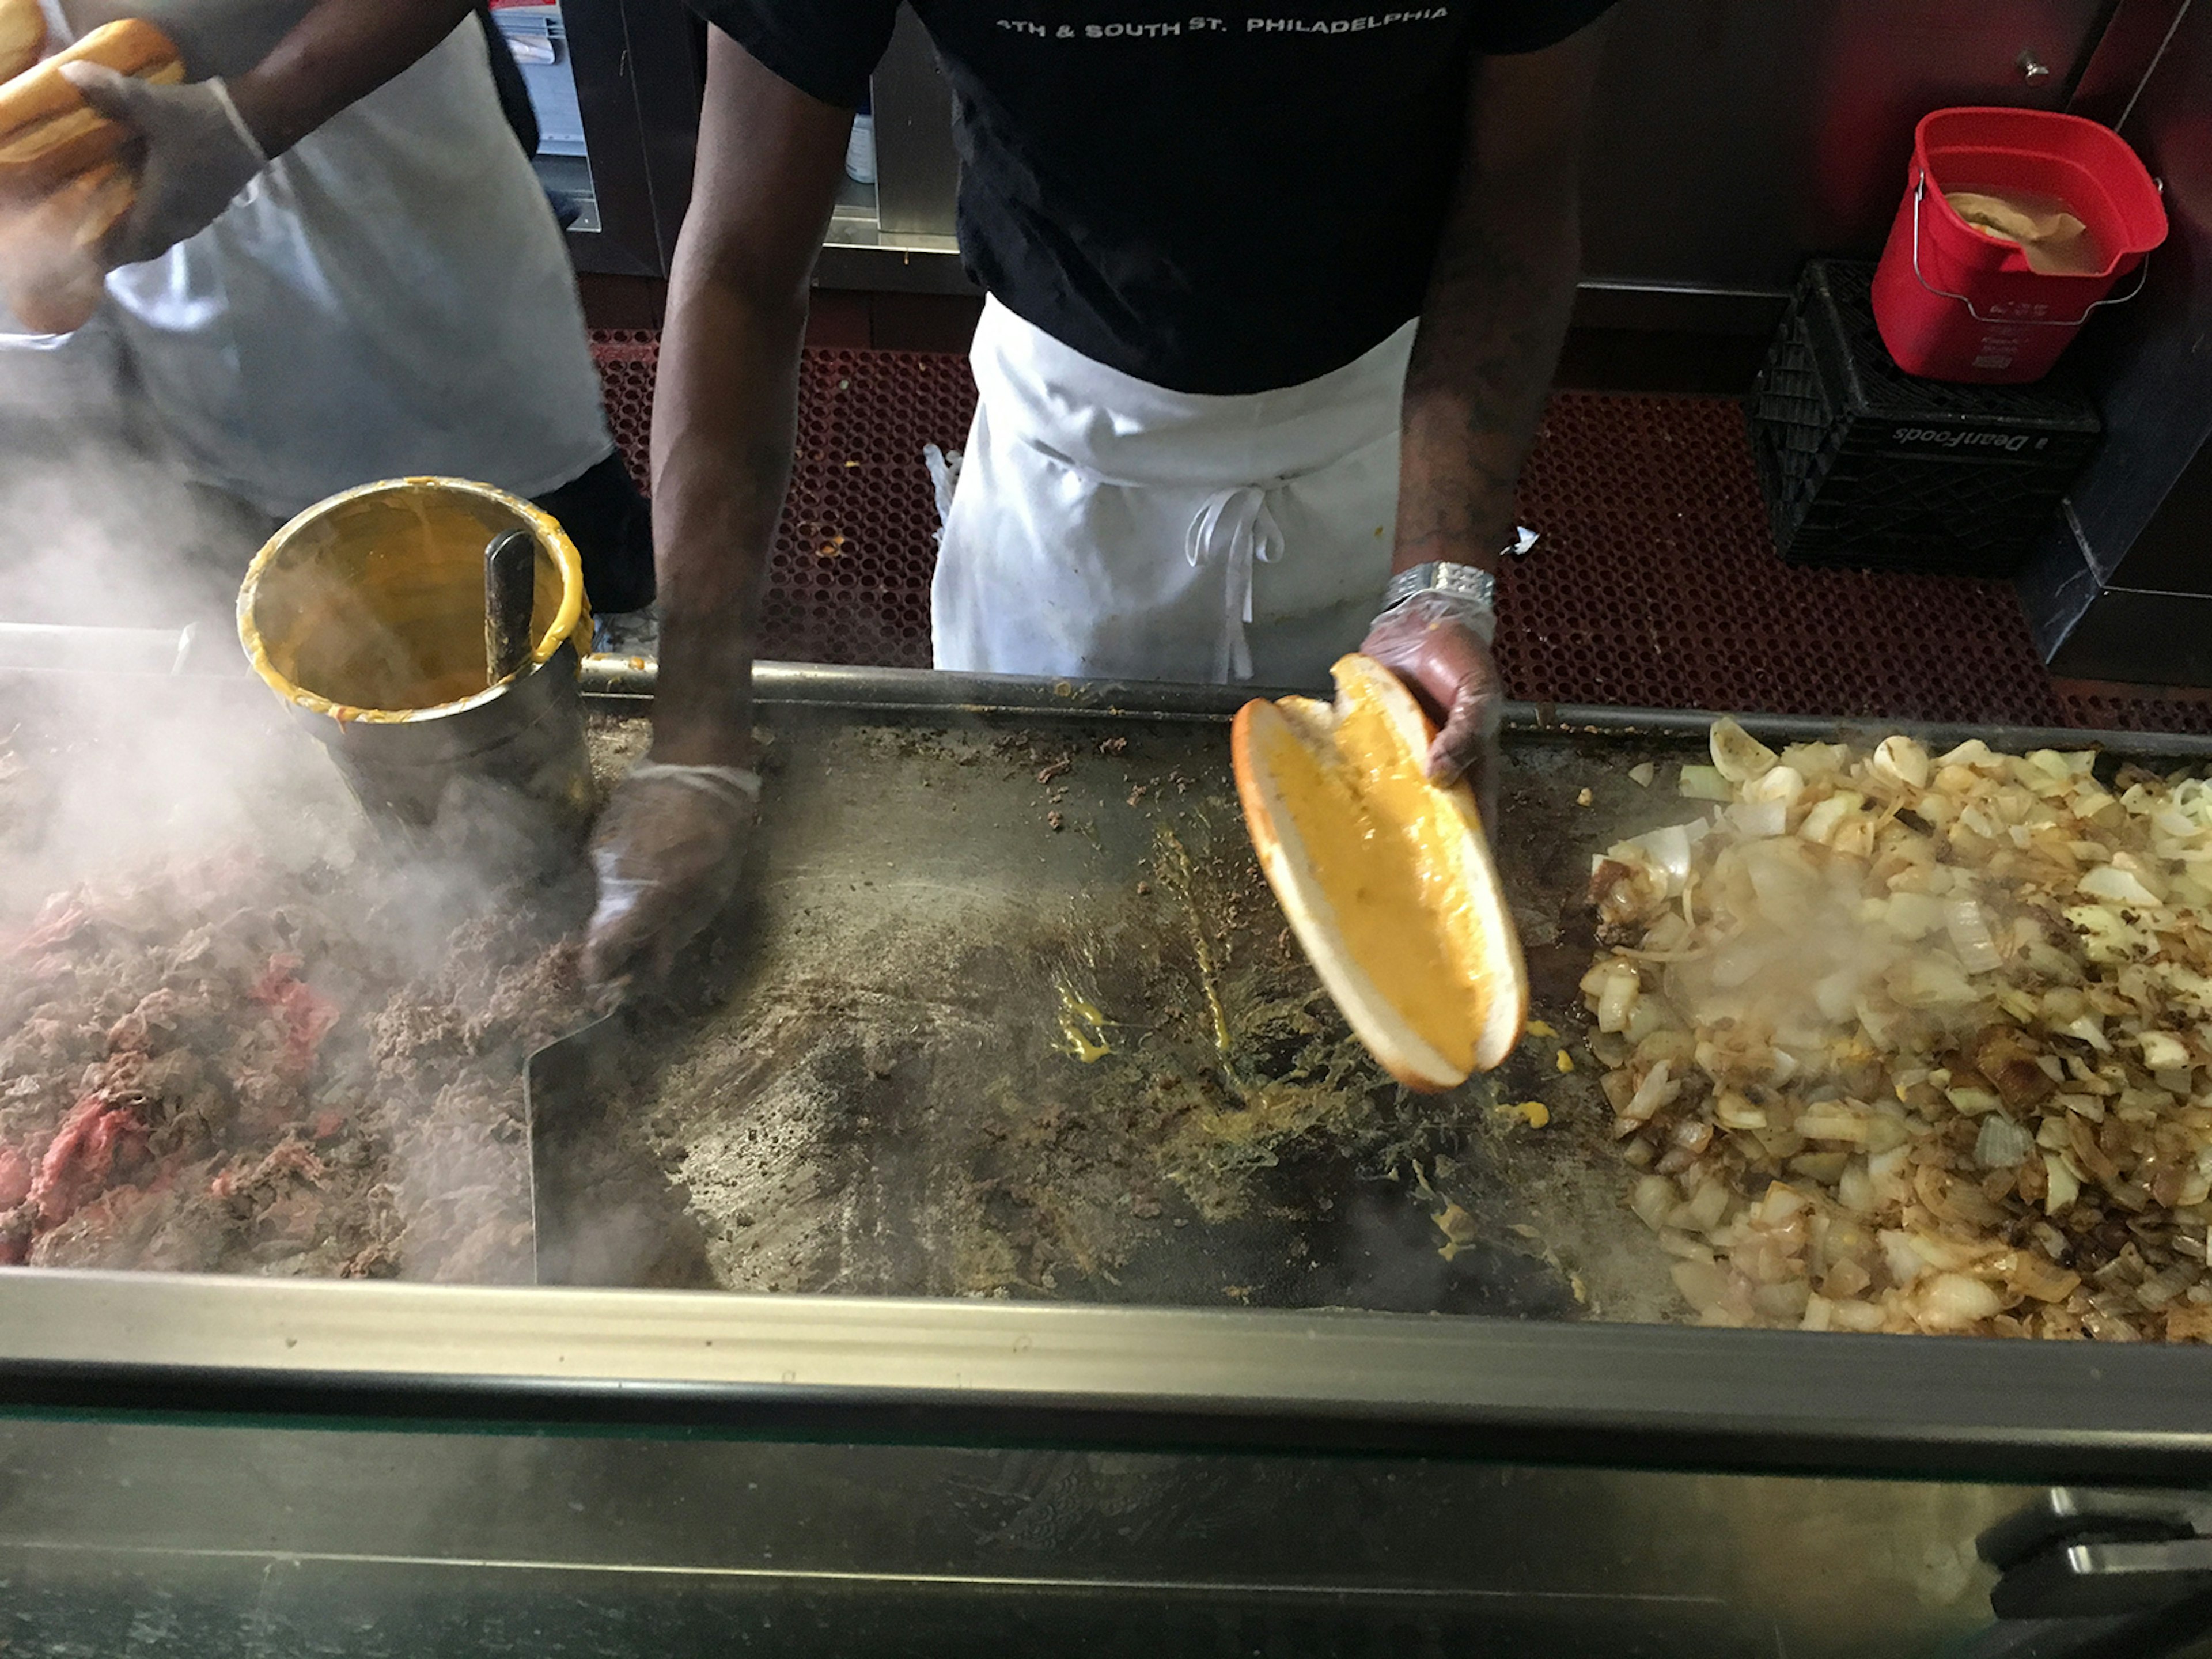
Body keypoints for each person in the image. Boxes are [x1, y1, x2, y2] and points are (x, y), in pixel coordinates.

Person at [581, 0, 1618, 985]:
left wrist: (1438, 583)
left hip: (1376, 450)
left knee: (1363, 952)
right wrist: (695, 744)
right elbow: (743, 265)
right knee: (1028, 930)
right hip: (1069, 472)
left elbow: (1519, 183)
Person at [16, 0, 654, 616]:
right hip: (174, 315)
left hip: (411, 263)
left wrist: (261, 112)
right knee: (272, 623)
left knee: (544, 596)